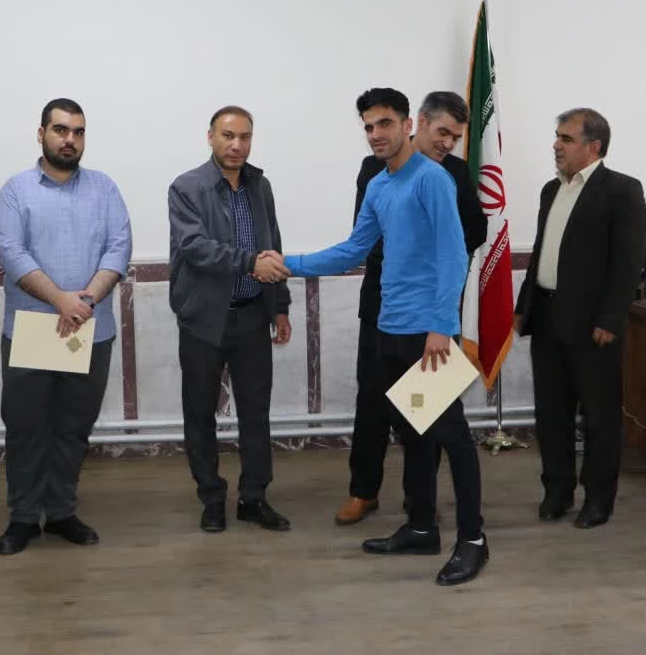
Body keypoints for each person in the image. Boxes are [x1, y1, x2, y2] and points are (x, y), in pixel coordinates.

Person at [284, 87, 487, 587]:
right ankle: (420, 527)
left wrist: (441, 325)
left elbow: (454, 254)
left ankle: (473, 540)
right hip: (389, 329)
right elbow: (353, 250)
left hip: (427, 335)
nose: (376, 134)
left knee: (453, 437)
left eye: (385, 124)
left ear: (408, 124)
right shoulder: (379, 185)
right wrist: (287, 264)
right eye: (369, 127)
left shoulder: (433, 179)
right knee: (413, 434)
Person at [337, 90, 488, 526]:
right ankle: (363, 491)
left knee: (428, 412)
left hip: (432, 311)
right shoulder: (375, 169)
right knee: (373, 399)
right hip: (381, 304)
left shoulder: (450, 173)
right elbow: (363, 237)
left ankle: (419, 504)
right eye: (442, 132)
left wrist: (428, 257)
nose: (447, 143)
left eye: (455, 138)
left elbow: (472, 233)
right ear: (419, 123)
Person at [0, 99, 132, 555]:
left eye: (78, 132)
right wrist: (61, 300)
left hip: (90, 329)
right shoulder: (16, 191)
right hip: (34, 329)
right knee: (26, 427)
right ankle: (22, 518)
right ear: (41, 134)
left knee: (73, 426)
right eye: (60, 130)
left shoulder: (104, 189)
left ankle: (61, 512)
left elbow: (119, 247)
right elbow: (11, 253)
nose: (70, 139)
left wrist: (85, 301)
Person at [513, 108, 646, 529]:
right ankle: (556, 492)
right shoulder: (551, 191)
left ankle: (598, 500)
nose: (556, 145)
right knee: (550, 414)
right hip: (547, 317)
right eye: (557, 137)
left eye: (566, 139)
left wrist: (610, 319)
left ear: (594, 147)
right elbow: (542, 253)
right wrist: (522, 307)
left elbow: (627, 264)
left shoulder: (622, 190)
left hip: (593, 326)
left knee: (599, 416)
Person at [168, 106, 293, 534]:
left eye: (245, 137)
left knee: (256, 412)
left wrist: (280, 306)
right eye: (228, 136)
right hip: (203, 318)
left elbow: (273, 244)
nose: (237, 145)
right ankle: (212, 498)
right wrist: (248, 263)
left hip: (253, 316)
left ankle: (254, 497)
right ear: (210, 137)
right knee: (200, 412)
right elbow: (195, 247)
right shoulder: (186, 187)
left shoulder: (260, 185)